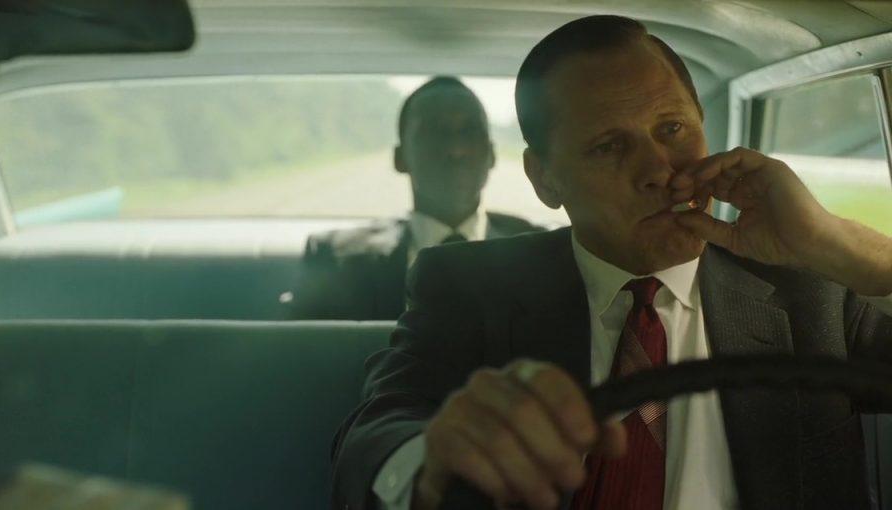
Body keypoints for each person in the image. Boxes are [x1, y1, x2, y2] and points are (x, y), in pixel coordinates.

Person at [331, 15, 892, 510]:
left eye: (672, 129)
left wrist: (833, 242)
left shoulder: (814, 283)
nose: (658, 170)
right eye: (608, 146)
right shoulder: (468, 286)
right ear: (544, 178)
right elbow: (375, 431)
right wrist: (431, 458)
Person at [288, 76, 541, 320]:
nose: (456, 149)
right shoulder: (336, 260)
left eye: (469, 131)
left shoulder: (540, 254)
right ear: (400, 158)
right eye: (435, 132)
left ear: (492, 154)